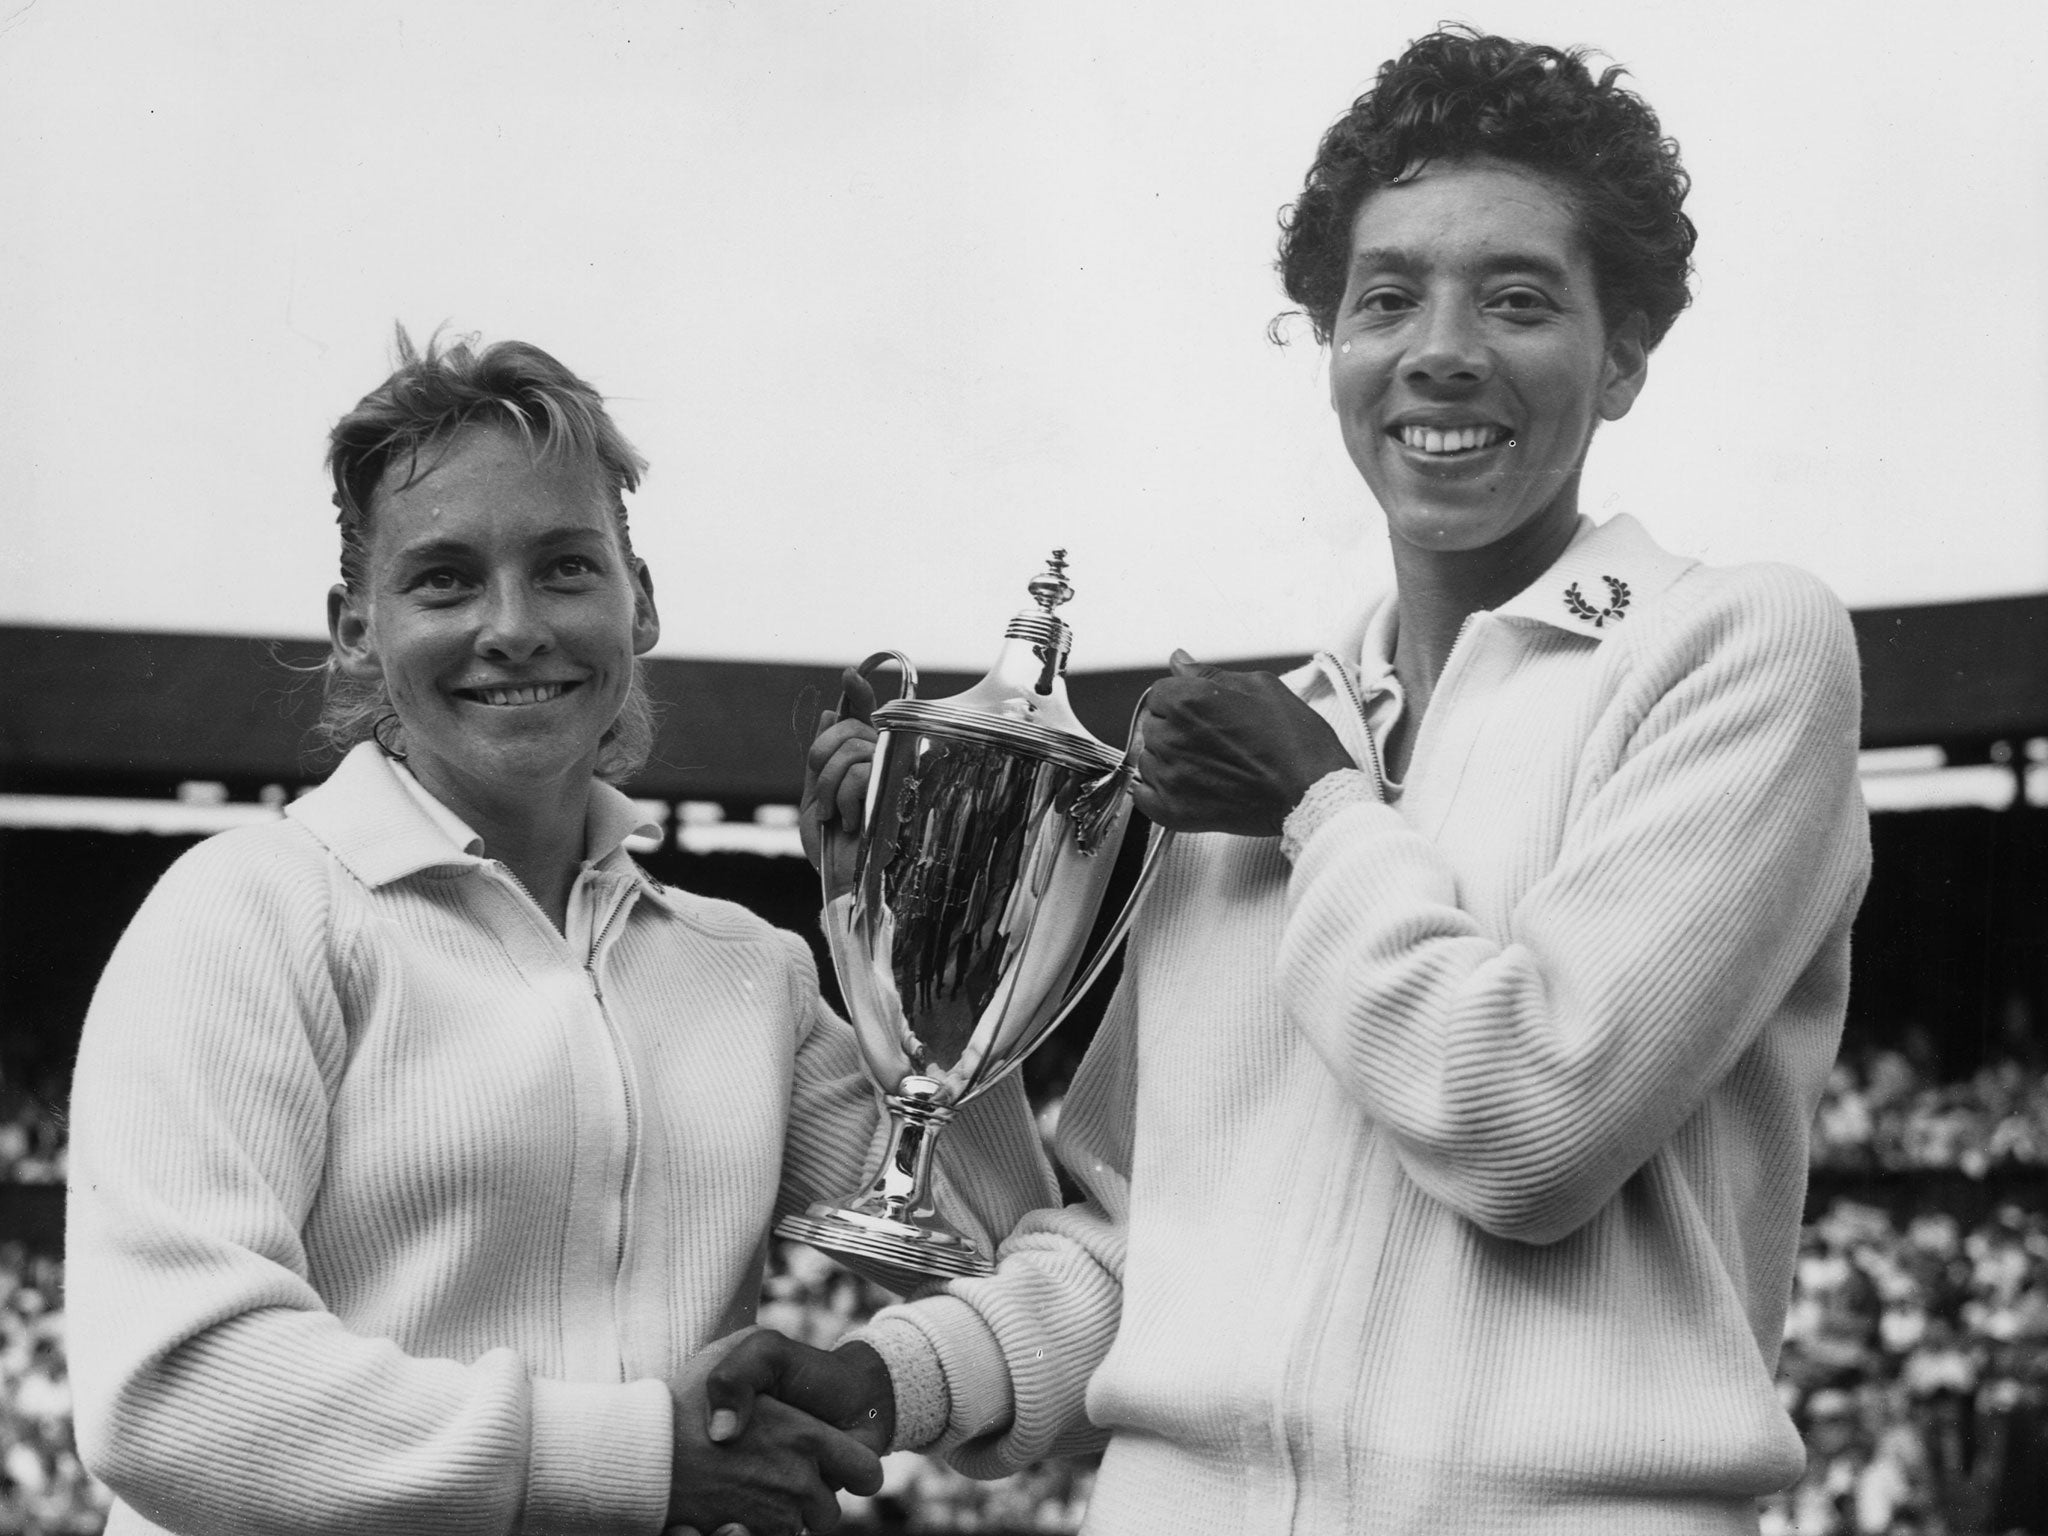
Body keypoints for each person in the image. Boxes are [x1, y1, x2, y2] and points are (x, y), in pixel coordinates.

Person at [724, 27, 1872, 1534]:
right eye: (1384, 297)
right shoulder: (1270, 744)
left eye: (1518, 298)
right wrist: (890, 1376)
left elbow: (1530, 1126)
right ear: (1330, 343)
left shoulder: (1732, 645)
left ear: (1628, 357)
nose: (1440, 349)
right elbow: (1130, 1249)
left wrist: (1329, 813)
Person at [64, 330, 1056, 1536]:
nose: (514, 625)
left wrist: (912, 944)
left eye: (565, 568)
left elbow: (1017, 1261)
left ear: (640, 603)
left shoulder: (749, 973)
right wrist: (636, 1457)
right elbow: (173, 1397)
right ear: (354, 627)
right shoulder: (246, 914)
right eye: (443, 580)